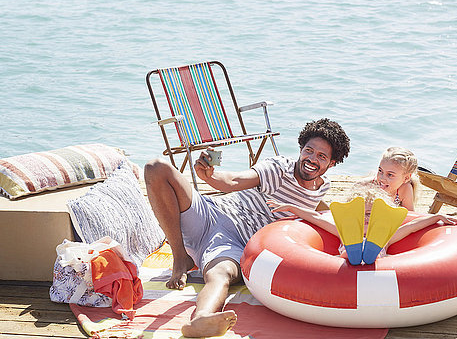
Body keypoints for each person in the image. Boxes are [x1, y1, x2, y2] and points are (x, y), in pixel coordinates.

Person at [144, 118, 350, 337]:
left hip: (236, 245)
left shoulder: (322, 187)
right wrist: (210, 176)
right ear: (301, 149)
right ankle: (180, 257)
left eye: (321, 156)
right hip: (210, 214)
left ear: (332, 163)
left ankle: (201, 319)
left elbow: (319, 208)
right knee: (156, 167)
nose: (311, 159)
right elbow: (234, 180)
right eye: (309, 150)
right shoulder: (278, 169)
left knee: (220, 276)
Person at [269, 185, 457, 259]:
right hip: (345, 264)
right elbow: (317, 218)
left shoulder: (386, 236)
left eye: (370, 215)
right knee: (343, 254)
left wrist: (437, 217)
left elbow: (412, 227)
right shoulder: (343, 230)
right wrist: (292, 208)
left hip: (377, 266)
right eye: (361, 214)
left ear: (380, 217)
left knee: (381, 254)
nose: (365, 218)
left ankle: (369, 252)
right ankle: (352, 252)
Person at [360, 146, 420, 211]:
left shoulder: (404, 189)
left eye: (390, 175)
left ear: (406, 178)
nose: (382, 178)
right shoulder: (366, 186)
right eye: (380, 171)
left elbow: (410, 214)